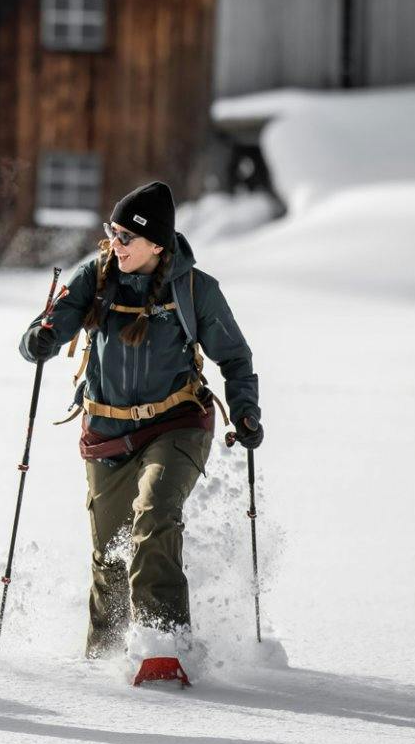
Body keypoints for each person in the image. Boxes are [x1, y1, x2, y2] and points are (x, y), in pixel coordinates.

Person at [20, 179, 262, 686]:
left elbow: (235, 358)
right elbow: (48, 328)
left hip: (177, 424)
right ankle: (105, 658)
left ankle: (163, 643)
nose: (116, 244)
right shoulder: (95, 277)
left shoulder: (194, 289)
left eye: (127, 236)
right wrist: (39, 339)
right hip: (107, 431)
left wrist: (245, 411)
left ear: (157, 244)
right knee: (109, 553)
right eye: (112, 232)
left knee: (154, 516)